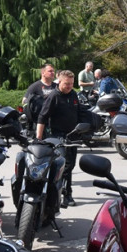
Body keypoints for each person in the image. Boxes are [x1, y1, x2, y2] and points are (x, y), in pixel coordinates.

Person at [35, 70, 85, 207]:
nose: (69, 86)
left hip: (72, 136)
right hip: (58, 136)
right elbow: (42, 117)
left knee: (70, 165)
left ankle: (62, 192)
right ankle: (65, 194)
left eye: (71, 84)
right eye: (66, 84)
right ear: (60, 82)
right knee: (63, 166)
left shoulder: (74, 94)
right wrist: (38, 138)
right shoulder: (54, 96)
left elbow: (79, 113)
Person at [23, 63, 56, 128]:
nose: (53, 73)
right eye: (50, 71)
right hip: (40, 122)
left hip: (54, 121)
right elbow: (24, 101)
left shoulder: (57, 86)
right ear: (43, 73)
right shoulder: (35, 86)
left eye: (53, 71)